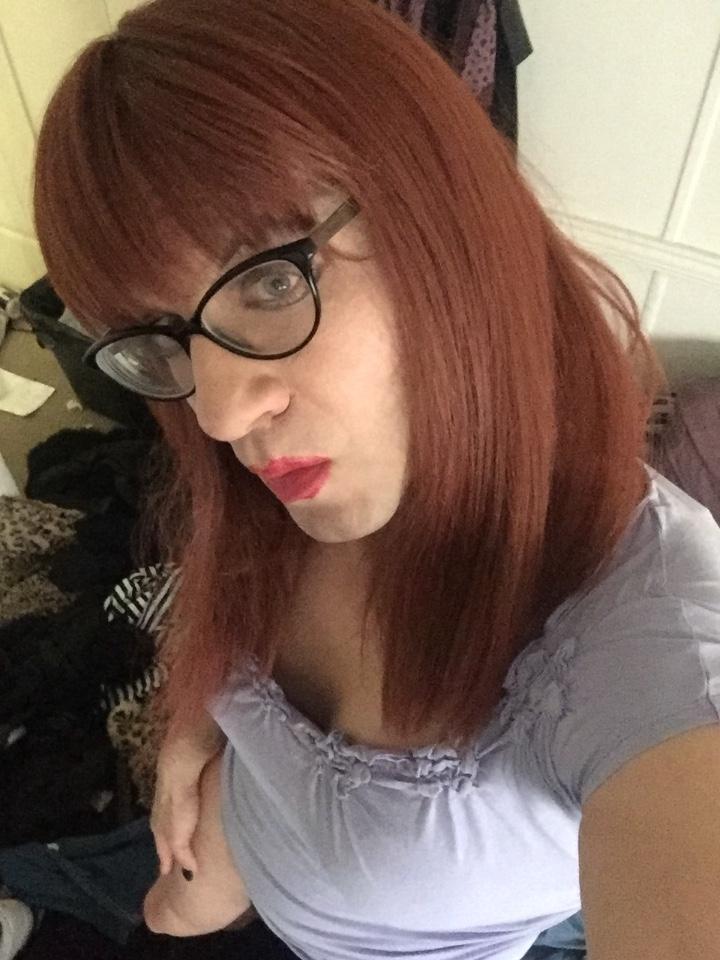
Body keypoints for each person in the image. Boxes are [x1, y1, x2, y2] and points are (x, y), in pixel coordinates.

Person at [32, 1, 720, 958]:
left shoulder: (654, 643)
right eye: (160, 337)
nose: (220, 416)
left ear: (446, 220)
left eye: (272, 281)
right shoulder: (293, 474)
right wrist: (193, 727)